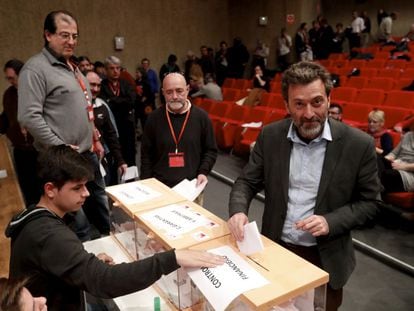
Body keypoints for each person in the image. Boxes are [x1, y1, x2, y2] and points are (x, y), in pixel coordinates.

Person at [227, 61, 381, 311]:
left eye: (317, 102)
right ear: (286, 105)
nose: (309, 113)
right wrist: (237, 210)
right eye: (299, 104)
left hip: (325, 260)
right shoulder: (270, 136)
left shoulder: (358, 144)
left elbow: (371, 203)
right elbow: (246, 181)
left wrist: (330, 221)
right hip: (276, 252)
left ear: (330, 99)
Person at [6, 145, 225, 311]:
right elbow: (106, 281)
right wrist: (172, 258)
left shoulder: (36, 218)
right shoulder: (50, 235)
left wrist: (83, 260)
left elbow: (55, 261)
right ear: (50, 189)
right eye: (77, 187)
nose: (87, 194)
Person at [17, 10, 110, 240]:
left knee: (101, 207)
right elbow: (29, 116)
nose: (71, 41)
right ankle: (85, 263)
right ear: (48, 35)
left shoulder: (73, 67)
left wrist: (95, 138)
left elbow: (86, 107)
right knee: (76, 221)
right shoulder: (34, 69)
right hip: (61, 161)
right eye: (64, 35)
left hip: (87, 154)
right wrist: (61, 147)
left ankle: (110, 248)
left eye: (75, 36)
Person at [140, 73, 217, 204]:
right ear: (163, 93)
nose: (175, 96)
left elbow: (210, 150)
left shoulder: (202, 118)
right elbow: (146, 155)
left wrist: (203, 172)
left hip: (192, 191)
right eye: (169, 92)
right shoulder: (153, 118)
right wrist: (146, 184)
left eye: (179, 91)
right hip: (160, 189)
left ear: (187, 89)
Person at [0, 59, 40, 206]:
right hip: (21, 150)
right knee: (27, 187)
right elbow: (6, 117)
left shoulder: (36, 91)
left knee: (42, 185)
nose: (10, 81)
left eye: (12, 78)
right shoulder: (9, 95)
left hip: (39, 149)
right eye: (7, 78)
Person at [86, 71, 127, 185]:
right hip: (82, 162)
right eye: (92, 85)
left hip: (101, 160)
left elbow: (111, 135)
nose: (96, 89)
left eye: (98, 85)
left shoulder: (102, 106)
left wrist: (120, 161)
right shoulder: (75, 107)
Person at [100, 56, 137, 167]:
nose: (116, 71)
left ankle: (130, 181)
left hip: (127, 125)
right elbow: (105, 104)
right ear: (106, 70)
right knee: (113, 159)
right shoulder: (102, 86)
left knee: (130, 157)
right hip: (110, 127)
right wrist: (122, 101)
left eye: (118, 68)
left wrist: (113, 100)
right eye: (112, 68)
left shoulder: (126, 83)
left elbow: (133, 101)